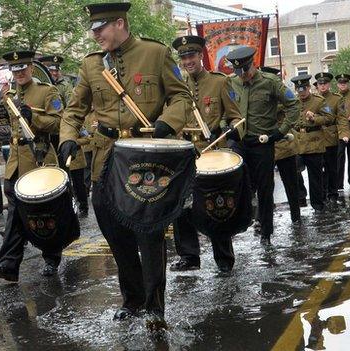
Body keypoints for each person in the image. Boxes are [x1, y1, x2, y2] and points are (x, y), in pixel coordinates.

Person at [57, 2, 193, 330]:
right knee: (114, 232)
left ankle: (154, 305)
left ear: (120, 23)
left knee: (149, 232)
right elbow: (74, 109)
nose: (95, 34)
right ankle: (132, 300)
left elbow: (182, 98)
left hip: (147, 157)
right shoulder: (91, 65)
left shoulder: (155, 53)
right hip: (106, 158)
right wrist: (68, 136)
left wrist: (167, 122)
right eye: (92, 29)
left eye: (100, 28)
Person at [169, 35, 244, 273]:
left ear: (200, 56)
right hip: (183, 152)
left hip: (211, 150)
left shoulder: (219, 82)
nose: (188, 61)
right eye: (183, 57)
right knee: (180, 205)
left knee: (215, 204)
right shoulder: (176, 87)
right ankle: (189, 256)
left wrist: (233, 131)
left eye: (191, 56)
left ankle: (223, 257)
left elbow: (236, 116)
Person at [0, 50, 63, 280]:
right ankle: (9, 264)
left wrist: (34, 118)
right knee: (15, 212)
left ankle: (51, 258)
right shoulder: (9, 95)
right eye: (15, 70)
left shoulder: (47, 91)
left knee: (44, 211)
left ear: (31, 68)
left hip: (38, 157)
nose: (19, 73)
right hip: (16, 161)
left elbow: (58, 122)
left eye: (23, 68)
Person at [226, 46, 299, 245]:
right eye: (238, 71)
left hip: (262, 144)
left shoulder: (270, 82)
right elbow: (222, 107)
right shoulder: (230, 83)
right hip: (239, 142)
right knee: (235, 183)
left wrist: (281, 131)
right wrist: (226, 125)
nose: (243, 76)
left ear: (254, 64)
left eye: (246, 70)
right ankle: (236, 224)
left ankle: (266, 232)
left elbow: (294, 105)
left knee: (265, 188)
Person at [39, 54, 89, 216]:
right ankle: (65, 206)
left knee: (76, 176)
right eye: (50, 70)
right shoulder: (40, 86)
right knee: (58, 175)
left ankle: (82, 205)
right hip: (48, 136)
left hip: (64, 133)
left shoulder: (65, 85)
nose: (54, 73)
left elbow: (72, 109)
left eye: (55, 70)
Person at [290, 74, 333, 211]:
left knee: (315, 176)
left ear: (309, 87)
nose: (301, 92)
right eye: (298, 90)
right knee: (294, 172)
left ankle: (317, 204)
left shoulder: (319, 101)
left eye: (303, 89)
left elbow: (329, 117)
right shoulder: (293, 102)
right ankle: (301, 197)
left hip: (314, 142)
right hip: (297, 143)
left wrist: (315, 118)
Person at [264, 66, 301, 224]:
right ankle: (264, 219)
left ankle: (296, 216)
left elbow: (293, 104)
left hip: (284, 143)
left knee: (291, 184)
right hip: (265, 145)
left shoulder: (281, 91)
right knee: (265, 186)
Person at [315, 73, 347, 202]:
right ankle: (321, 193)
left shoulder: (336, 99)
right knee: (318, 168)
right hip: (316, 138)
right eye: (320, 84)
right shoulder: (313, 99)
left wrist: (344, 134)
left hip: (331, 136)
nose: (323, 86)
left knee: (332, 167)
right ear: (317, 85)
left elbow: (342, 118)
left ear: (329, 85)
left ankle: (333, 192)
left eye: (325, 84)